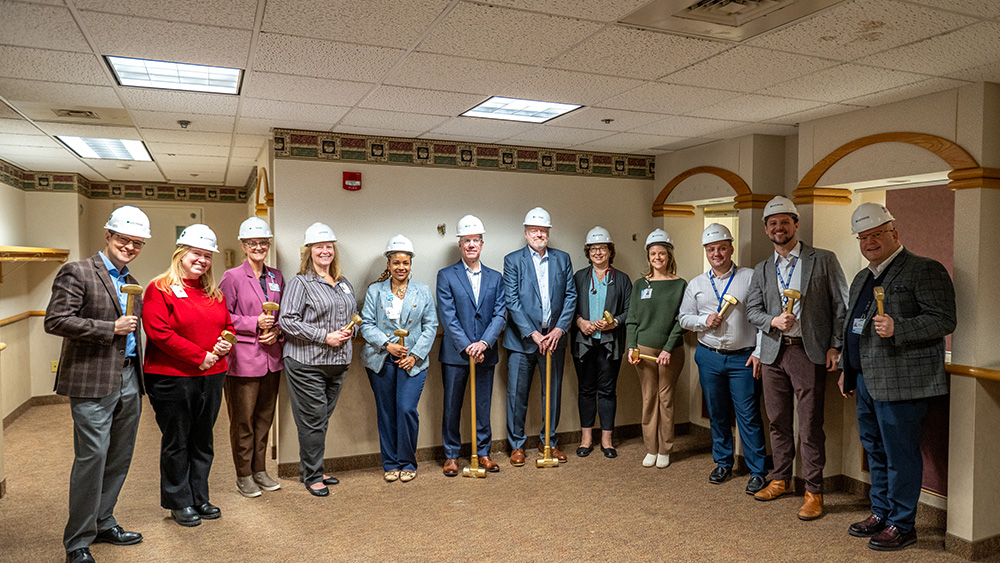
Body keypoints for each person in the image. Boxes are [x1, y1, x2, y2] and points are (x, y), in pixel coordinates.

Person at [839, 203, 956, 551]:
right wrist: (848, 371)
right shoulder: (863, 277)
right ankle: (881, 510)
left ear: (895, 233)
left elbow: (944, 319)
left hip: (903, 382)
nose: (870, 242)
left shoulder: (924, 270)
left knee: (900, 453)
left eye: (877, 234)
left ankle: (902, 524)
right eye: (863, 237)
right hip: (865, 380)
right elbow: (851, 327)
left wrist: (899, 328)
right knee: (874, 449)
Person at [44, 206, 151, 563]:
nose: (130, 247)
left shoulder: (129, 278)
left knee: (119, 457)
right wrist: (110, 329)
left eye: (137, 243)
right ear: (108, 236)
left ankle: (103, 521)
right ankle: (77, 541)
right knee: (92, 457)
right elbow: (56, 320)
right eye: (124, 240)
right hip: (92, 380)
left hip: (129, 377)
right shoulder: (77, 272)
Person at [746, 195, 848, 521]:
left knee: (809, 424)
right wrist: (772, 322)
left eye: (784, 222)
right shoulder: (763, 269)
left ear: (796, 224)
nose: (779, 228)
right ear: (766, 229)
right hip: (774, 351)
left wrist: (836, 346)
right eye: (773, 223)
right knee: (776, 420)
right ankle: (781, 479)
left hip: (807, 351)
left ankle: (813, 490)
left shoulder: (823, 260)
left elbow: (840, 307)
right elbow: (753, 311)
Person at [142, 224, 234, 527]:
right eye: (197, 254)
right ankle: (178, 500)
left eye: (208, 256)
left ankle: (199, 496)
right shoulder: (160, 288)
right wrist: (199, 356)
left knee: (203, 439)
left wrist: (223, 344)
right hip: (172, 377)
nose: (202, 261)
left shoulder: (214, 293)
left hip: (212, 375)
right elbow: (158, 332)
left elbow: (228, 327)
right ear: (181, 254)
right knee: (177, 440)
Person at [678, 223, 767, 493]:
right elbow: (684, 318)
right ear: (706, 252)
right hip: (710, 356)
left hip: (743, 358)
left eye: (721, 248)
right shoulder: (697, 284)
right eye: (711, 249)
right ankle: (723, 463)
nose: (716, 253)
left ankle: (757, 471)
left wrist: (759, 353)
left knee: (748, 415)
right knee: (717, 413)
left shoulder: (750, 278)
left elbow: (764, 318)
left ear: (730, 248)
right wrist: (704, 320)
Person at [280, 222, 357, 497]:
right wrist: (325, 336)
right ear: (309, 251)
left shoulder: (344, 284)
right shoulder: (300, 283)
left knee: (320, 419)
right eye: (318, 247)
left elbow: (353, 318)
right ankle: (312, 476)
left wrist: (351, 330)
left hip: (338, 362)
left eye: (328, 247)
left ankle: (310, 468)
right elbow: (286, 322)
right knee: (312, 420)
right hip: (306, 363)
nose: (324, 251)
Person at [360, 235, 438, 482]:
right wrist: (387, 345)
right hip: (381, 360)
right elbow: (367, 325)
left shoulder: (422, 291)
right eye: (396, 263)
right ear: (388, 264)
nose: (401, 267)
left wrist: (414, 355)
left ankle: (407, 461)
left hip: (412, 362)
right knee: (386, 412)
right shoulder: (375, 290)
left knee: (406, 409)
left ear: (411, 264)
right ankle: (391, 463)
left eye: (405, 263)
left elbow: (431, 325)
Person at [502, 207, 577, 466]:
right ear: (525, 233)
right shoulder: (512, 261)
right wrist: (533, 334)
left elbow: (571, 296)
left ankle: (549, 442)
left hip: (554, 341)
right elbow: (511, 300)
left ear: (548, 233)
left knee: (552, 394)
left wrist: (558, 330)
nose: (539, 234)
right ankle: (517, 446)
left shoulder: (562, 259)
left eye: (543, 230)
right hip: (522, 341)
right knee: (517, 395)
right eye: (534, 230)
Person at [436, 215, 506, 476]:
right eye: (467, 241)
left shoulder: (495, 277)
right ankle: (452, 456)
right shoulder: (446, 276)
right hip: (456, 355)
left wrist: (484, 344)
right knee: (452, 407)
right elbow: (448, 315)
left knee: (483, 407)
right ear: (460, 245)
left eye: (476, 240)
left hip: (485, 355)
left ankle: (484, 453)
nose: (471, 245)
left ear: (482, 244)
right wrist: (468, 346)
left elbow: (500, 314)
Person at [219, 217, 284, 498]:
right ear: (243, 245)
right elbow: (223, 317)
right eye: (252, 242)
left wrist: (277, 332)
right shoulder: (232, 276)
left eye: (263, 242)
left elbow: (281, 316)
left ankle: (260, 470)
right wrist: (253, 323)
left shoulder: (276, 277)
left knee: (264, 419)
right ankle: (243, 474)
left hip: (272, 358)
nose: (258, 247)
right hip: (243, 361)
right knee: (243, 421)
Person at [625, 229, 686, 469]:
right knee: (649, 398)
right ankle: (651, 448)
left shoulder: (680, 284)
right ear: (648, 256)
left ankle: (665, 449)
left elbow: (683, 320)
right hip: (643, 349)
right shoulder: (641, 284)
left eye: (662, 253)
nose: (657, 257)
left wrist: (668, 348)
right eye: (653, 253)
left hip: (671, 351)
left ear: (669, 256)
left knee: (666, 398)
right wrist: (631, 346)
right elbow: (632, 318)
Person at [571, 226, 631, 458]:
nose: (598, 252)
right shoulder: (579, 277)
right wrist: (579, 322)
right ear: (588, 252)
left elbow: (629, 311)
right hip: (584, 344)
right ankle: (586, 438)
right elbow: (569, 307)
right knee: (585, 390)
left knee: (607, 391)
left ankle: (607, 440)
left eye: (602, 248)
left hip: (609, 344)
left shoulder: (622, 279)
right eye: (593, 249)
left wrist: (614, 322)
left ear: (610, 251)